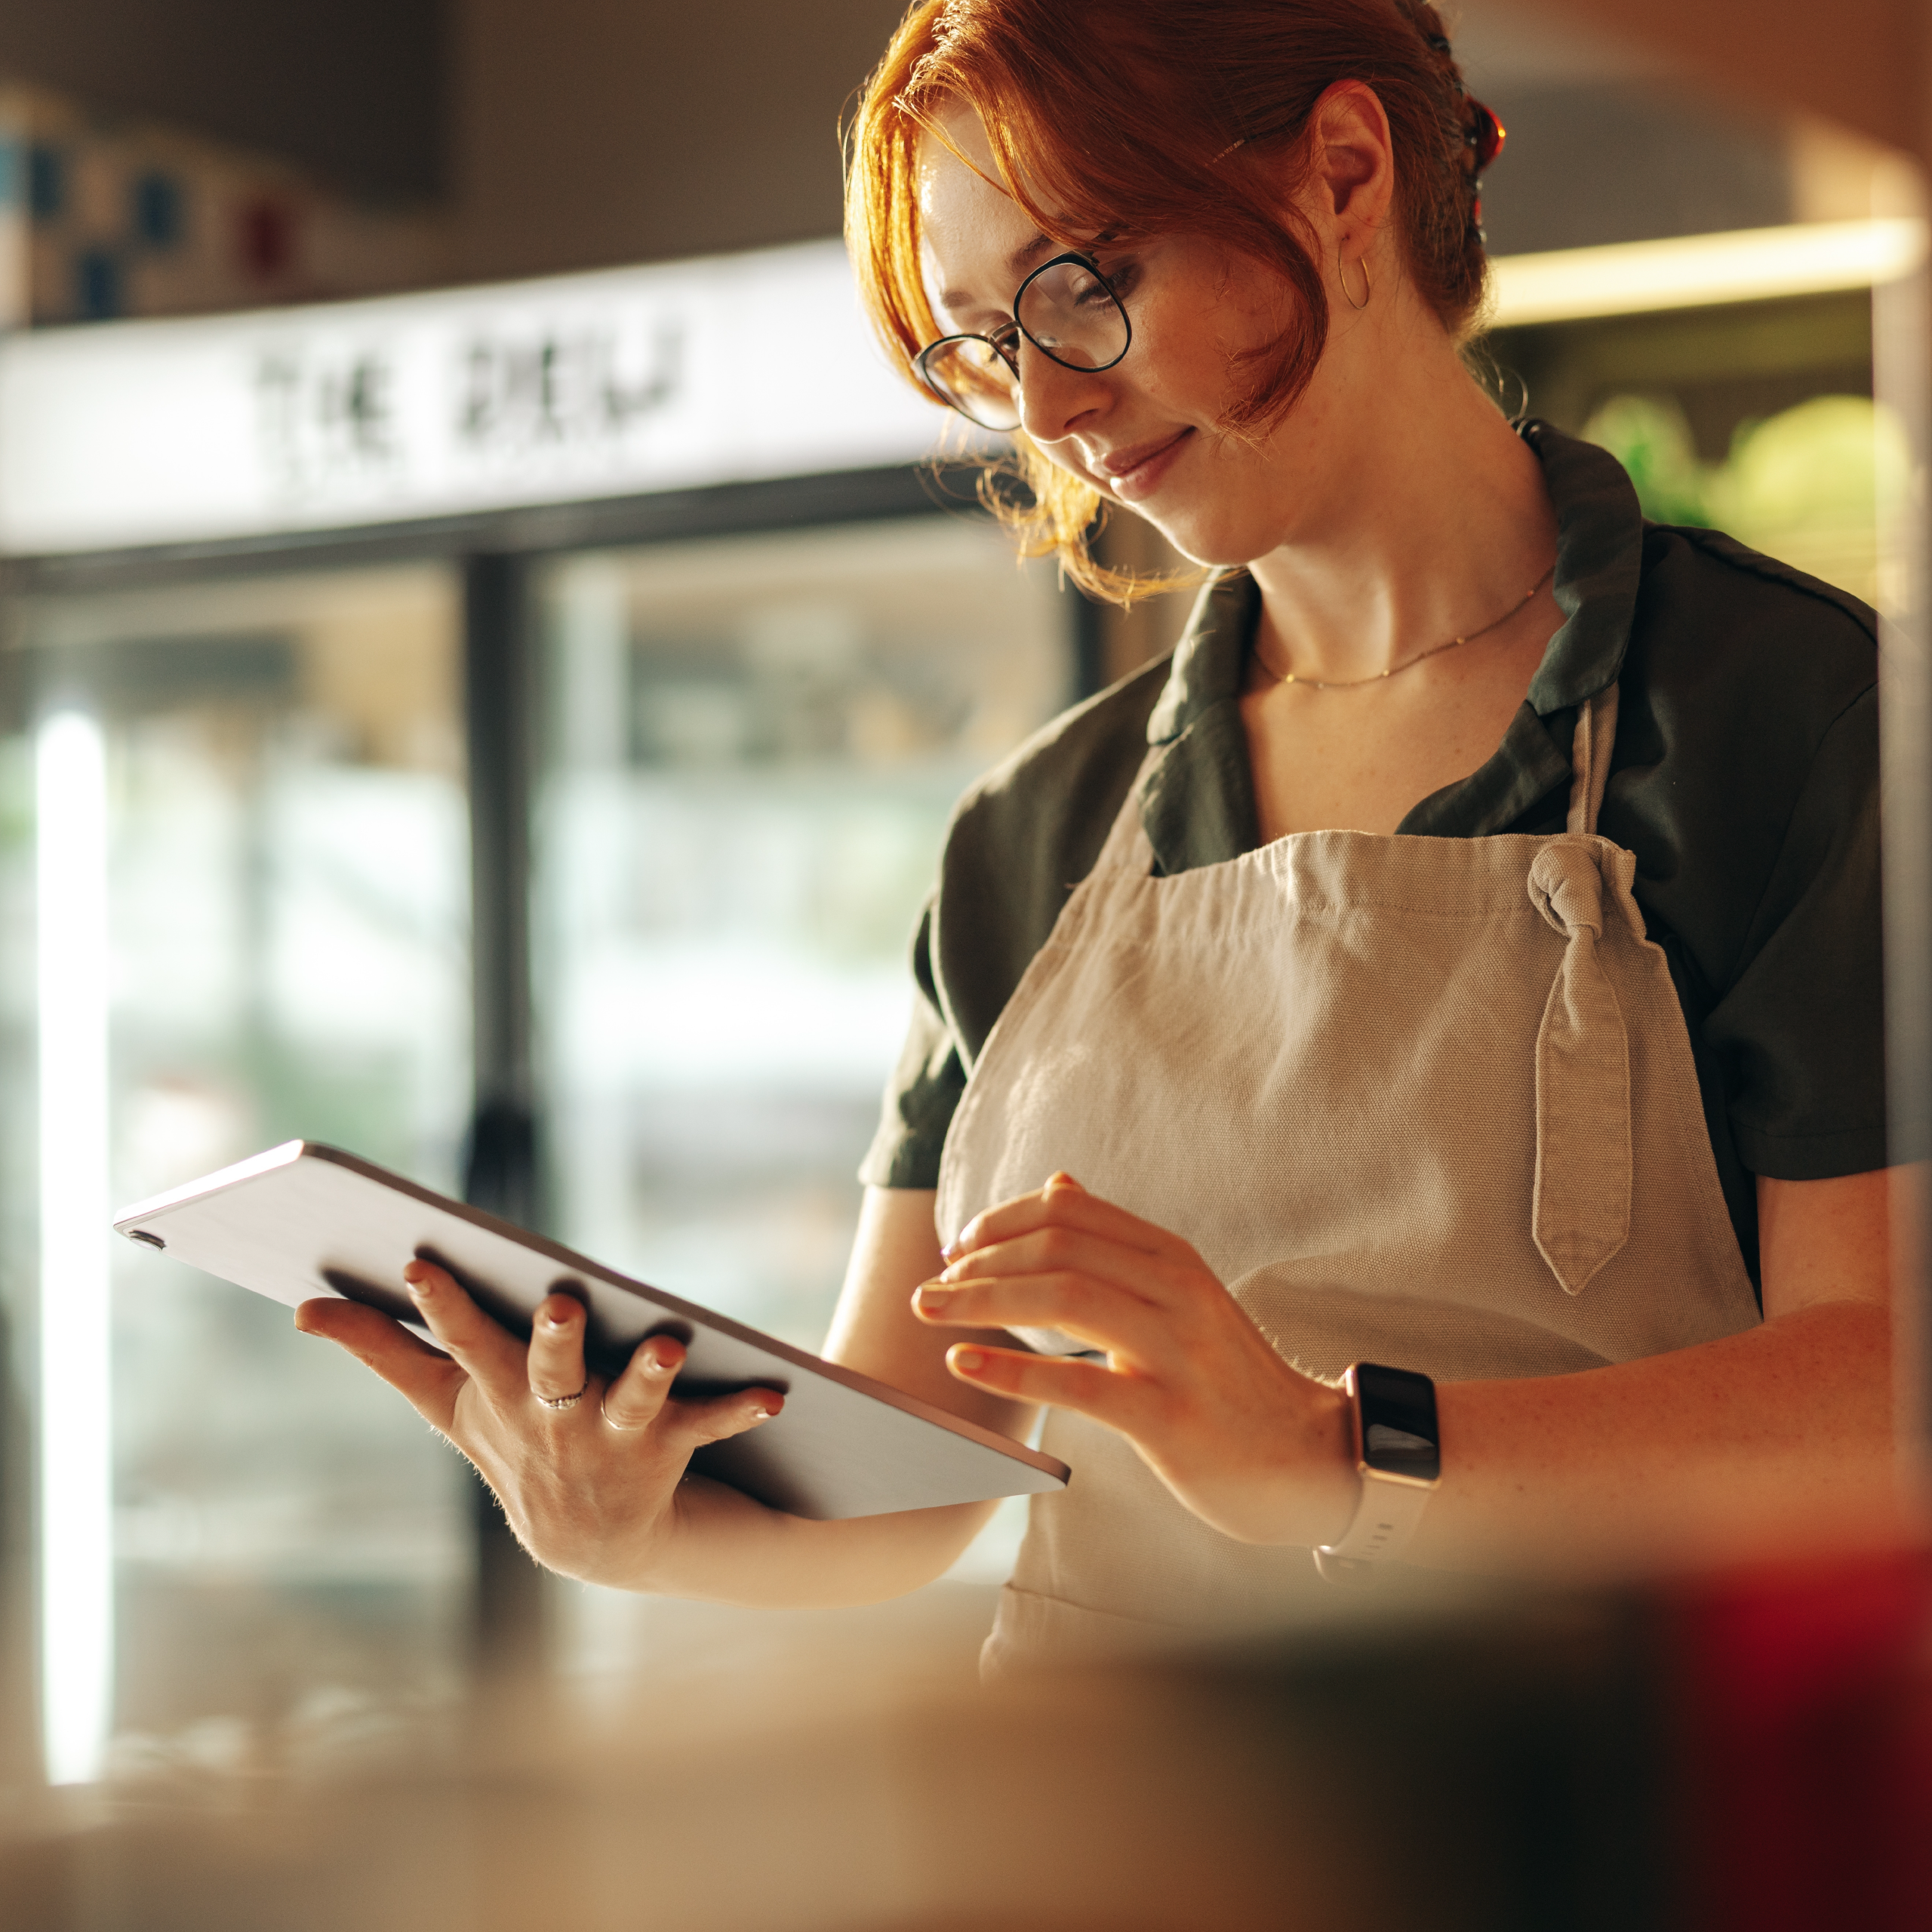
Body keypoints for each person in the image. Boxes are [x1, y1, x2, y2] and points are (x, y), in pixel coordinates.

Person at [299, 0, 1900, 1666]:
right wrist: (639, 1519)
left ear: (1343, 175)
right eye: (984, 347)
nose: (1049, 412)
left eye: (1082, 288)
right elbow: (916, 1477)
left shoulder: (1783, 719)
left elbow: (1881, 1382)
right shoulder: (1030, 837)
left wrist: (1336, 1456)